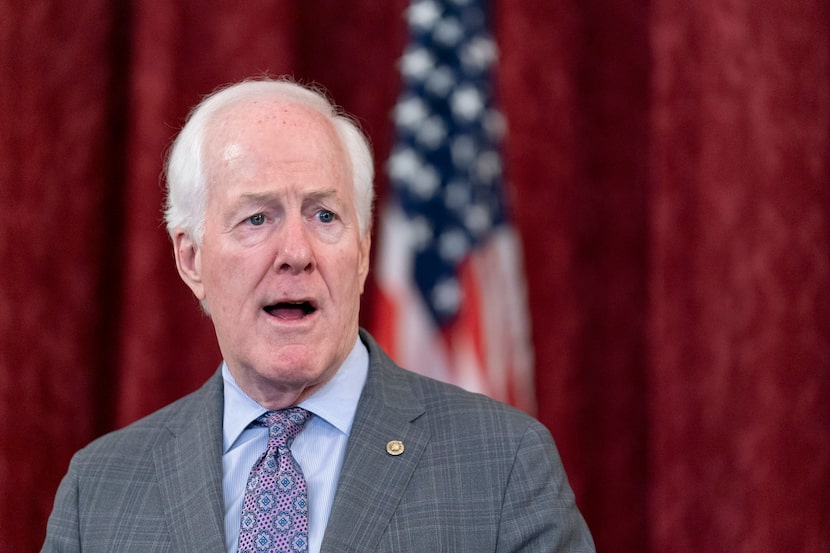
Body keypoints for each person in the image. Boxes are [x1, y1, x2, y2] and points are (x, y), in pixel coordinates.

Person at [41, 77, 595, 553]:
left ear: (363, 251)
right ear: (191, 258)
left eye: (324, 215)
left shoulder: (501, 464)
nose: (297, 252)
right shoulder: (100, 491)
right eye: (257, 218)